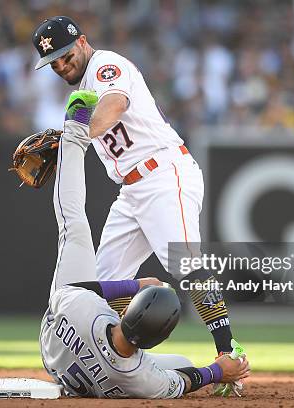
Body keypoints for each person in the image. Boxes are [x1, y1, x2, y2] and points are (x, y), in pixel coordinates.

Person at [32, 17, 242, 395]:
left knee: (186, 261)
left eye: (64, 55)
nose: (61, 66)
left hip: (163, 173)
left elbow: (114, 105)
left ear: (81, 42)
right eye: (54, 63)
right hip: (130, 191)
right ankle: (125, 359)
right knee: (99, 291)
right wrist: (70, 138)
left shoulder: (106, 66)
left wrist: (74, 137)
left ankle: (230, 351)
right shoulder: (82, 87)